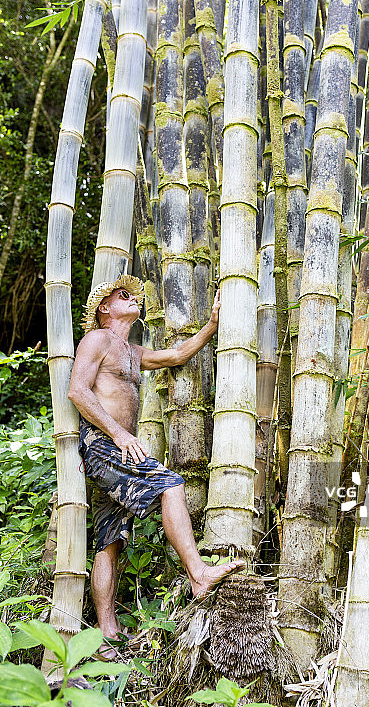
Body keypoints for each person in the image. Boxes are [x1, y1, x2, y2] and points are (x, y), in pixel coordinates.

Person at [68, 274, 245, 656]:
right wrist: (118, 434)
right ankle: (198, 575)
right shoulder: (96, 340)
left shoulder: (133, 351)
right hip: (105, 445)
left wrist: (212, 325)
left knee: (109, 540)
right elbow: (77, 390)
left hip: (116, 449)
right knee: (171, 484)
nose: (133, 299)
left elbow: (177, 356)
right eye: (122, 295)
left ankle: (107, 635)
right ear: (104, 308)